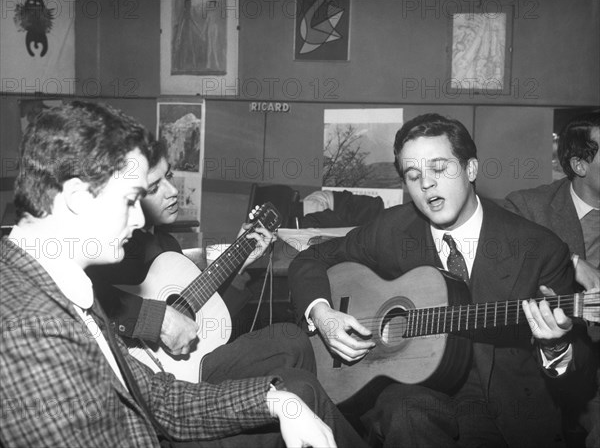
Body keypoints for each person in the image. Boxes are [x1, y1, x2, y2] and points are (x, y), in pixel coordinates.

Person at [0, 101, 367, 447]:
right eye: (130, 200)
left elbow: (158, 398)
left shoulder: (61, 286)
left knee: (297, 392)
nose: (141, 218)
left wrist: (275, 403)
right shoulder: (29, 328)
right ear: (77, 199)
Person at [288, 113, 597, 447]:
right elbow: (312, 258)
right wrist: (323, 313)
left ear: (471, 169)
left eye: (439, 169)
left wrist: (555, 346)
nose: (426, 184)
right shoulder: (392, 229)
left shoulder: (538, 248)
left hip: (504, 409)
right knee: (404, 412)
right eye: (413, 174)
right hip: (415, 396)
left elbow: (579, 382)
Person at [86, 138, 316, 382]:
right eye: (155, 187)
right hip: (136, 376)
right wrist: (158, 320)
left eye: (170, 176)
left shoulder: (168, 246)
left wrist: (239, 262)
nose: (173, 191)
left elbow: (211, 321)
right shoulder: (110, 249)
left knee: (291, 343)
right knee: (291, 347)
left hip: (190, 367)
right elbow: (89, 301)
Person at [504, 111, 600, 447]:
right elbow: (500, 243)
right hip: (556, 367)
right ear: (580, 165)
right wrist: (572, 261)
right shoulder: (530, 206)